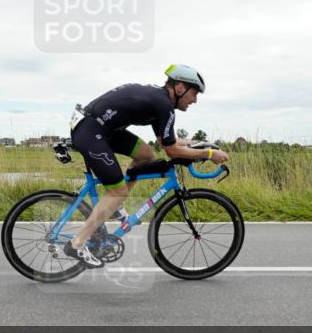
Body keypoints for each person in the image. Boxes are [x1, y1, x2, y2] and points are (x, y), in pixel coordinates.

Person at [65, 65, 229, 266]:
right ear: (179, 88)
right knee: (117, 191)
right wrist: (209, 154)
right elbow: (172, 151)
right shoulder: (164, 106)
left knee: (145, 154)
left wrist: (198, 145)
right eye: (194, 93)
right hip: (91, 130)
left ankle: (116, 207)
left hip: (99, 127)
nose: (195, 100)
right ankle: (77, 244)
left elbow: (167, 142)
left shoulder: (159, 101)